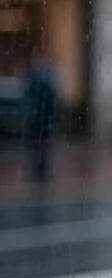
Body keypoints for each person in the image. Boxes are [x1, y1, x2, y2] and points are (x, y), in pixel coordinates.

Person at [22, 53, 61, 184]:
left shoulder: (41, 79)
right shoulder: (39, 78)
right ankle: (40, 170)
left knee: (41, 146)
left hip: (40, 118)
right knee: (39, 146)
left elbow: (48, 100)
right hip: (38, 118)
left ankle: (40, 170)